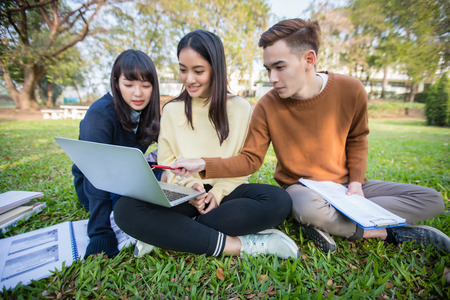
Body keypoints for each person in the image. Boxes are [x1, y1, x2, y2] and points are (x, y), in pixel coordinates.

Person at [171, 19, 450, 254]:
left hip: (345, 187)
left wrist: (355, 184)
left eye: (279, 67)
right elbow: (250, 159)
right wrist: (204, 164)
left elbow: (358, 139)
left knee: (432, 199)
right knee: (306, 206)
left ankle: (332, 222)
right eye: (268, 69)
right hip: (302, 189)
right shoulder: (267, 105)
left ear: (309, 60)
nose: (272, 77)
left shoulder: (351, 90)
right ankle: (386, 233)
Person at [114, 29, 299, 259]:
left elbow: (241, 163)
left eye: (198, 71)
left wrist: (218, 193)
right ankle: (238, 245)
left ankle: (170, 231)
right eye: (183, 70)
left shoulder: (240, 108)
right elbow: (167, 163)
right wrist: (192, 188)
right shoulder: (171, 110)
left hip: (228, 194)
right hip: (184, 193)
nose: (189, 79)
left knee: (279, 200)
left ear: (215, 69)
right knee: (125, 209)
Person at [72, 49, 161, 258]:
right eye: (129, 85)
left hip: (127, 175)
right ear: (116, 82)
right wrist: (99, 233)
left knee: (169, 180)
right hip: (95, 185)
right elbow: (95, 174)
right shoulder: (99, 115)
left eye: (146, 85)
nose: (138, 93)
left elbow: (172, 144)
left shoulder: (149, 112)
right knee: (135, 205)